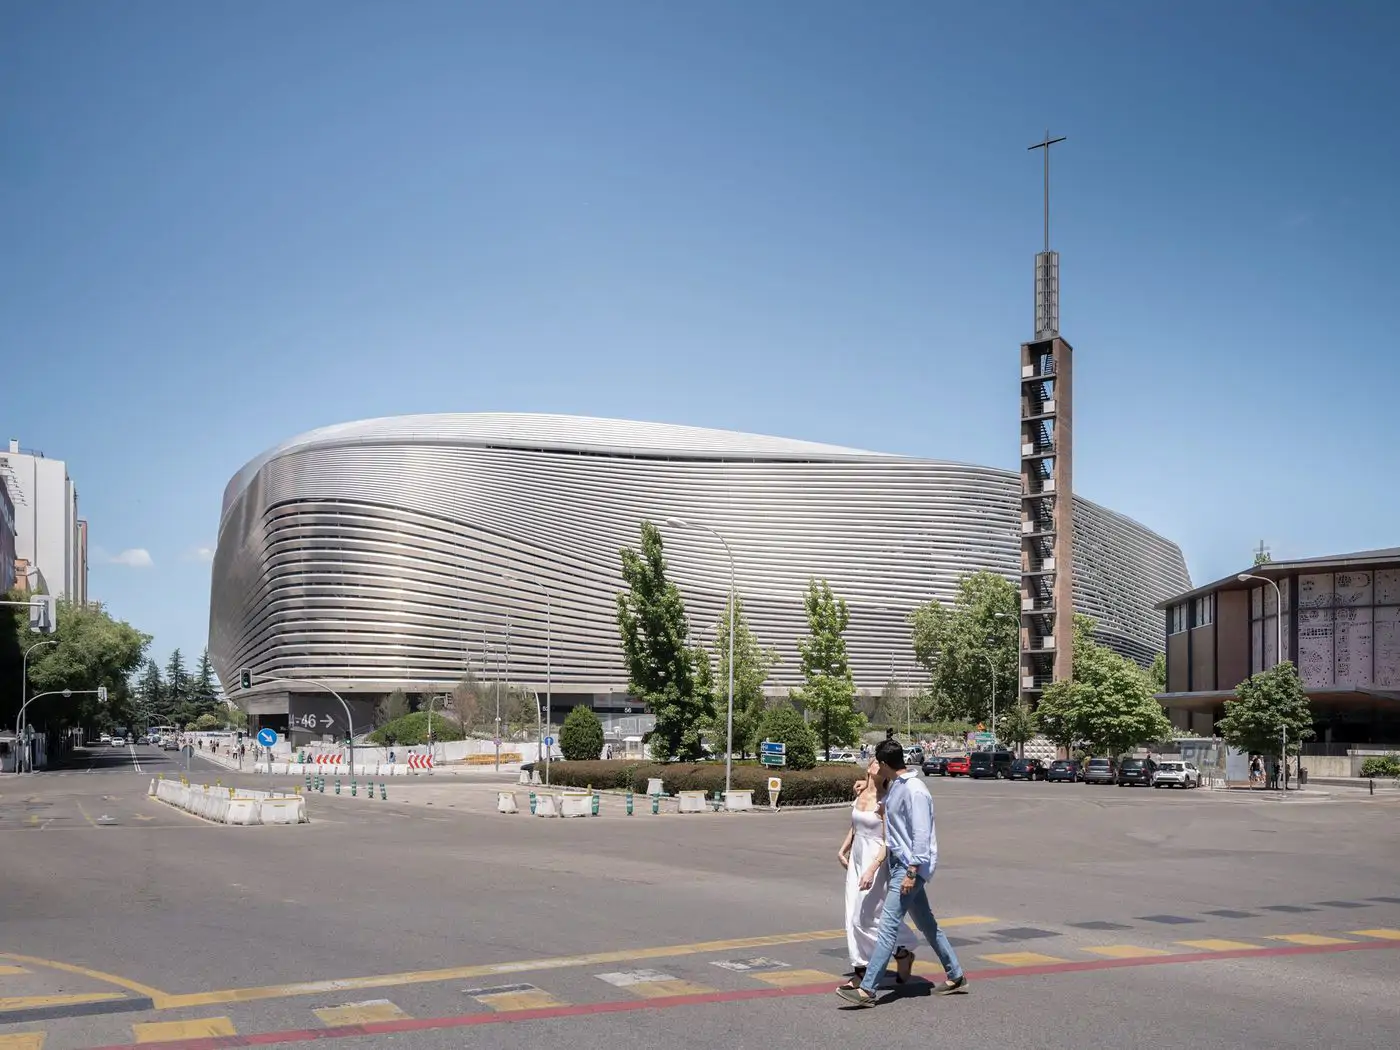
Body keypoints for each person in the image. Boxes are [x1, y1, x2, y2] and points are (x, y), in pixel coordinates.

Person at [837, 739, 967, 1007]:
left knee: (887, 926)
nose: (873, 766)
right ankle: (955, 975)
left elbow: (921, 835)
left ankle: (867, 990)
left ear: (885, 764)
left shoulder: (915, 791)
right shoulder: (898, 785)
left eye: (876, 762)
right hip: (899, 864)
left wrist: (911, 872)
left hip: (909, 867)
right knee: (927, 925)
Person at [838, 759, 917, 988]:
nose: (875, 764)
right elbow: (855, 826)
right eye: (873, 761)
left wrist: (872, 869)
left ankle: (902, 948)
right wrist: (843, 849)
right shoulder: (860, 791)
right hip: (857, 858)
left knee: (866, 916)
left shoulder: (885, 800)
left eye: (879, 763)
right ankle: (862, 967)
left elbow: (887, 840)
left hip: (876, 860)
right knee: (851, 913)